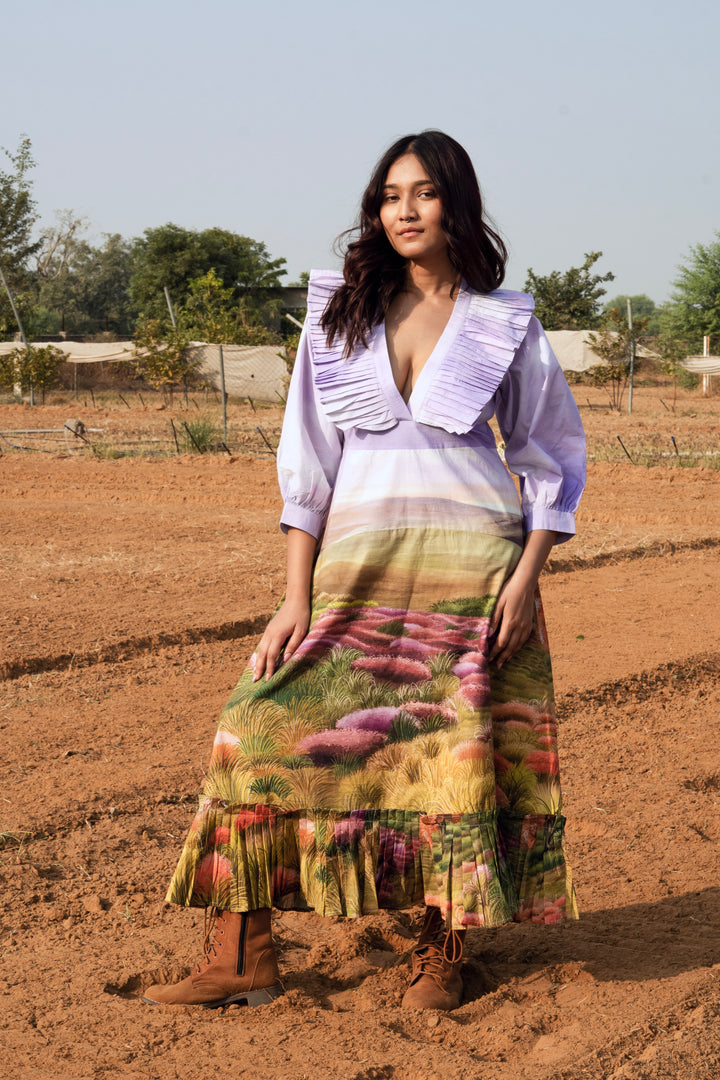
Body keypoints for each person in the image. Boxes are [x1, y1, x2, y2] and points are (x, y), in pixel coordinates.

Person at [143, 130, 586, 1013]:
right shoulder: (336, 313)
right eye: (390, 195)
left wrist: (527, 577)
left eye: (423, 193)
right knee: (254, 729)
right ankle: (243, 956)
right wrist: (292, 595)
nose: (405, 210)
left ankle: (440, 953)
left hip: (473, 569)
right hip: (354, 567)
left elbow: (549, 455)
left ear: (457, 205)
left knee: (446, 756)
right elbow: (306, 459)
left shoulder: (507, 320)